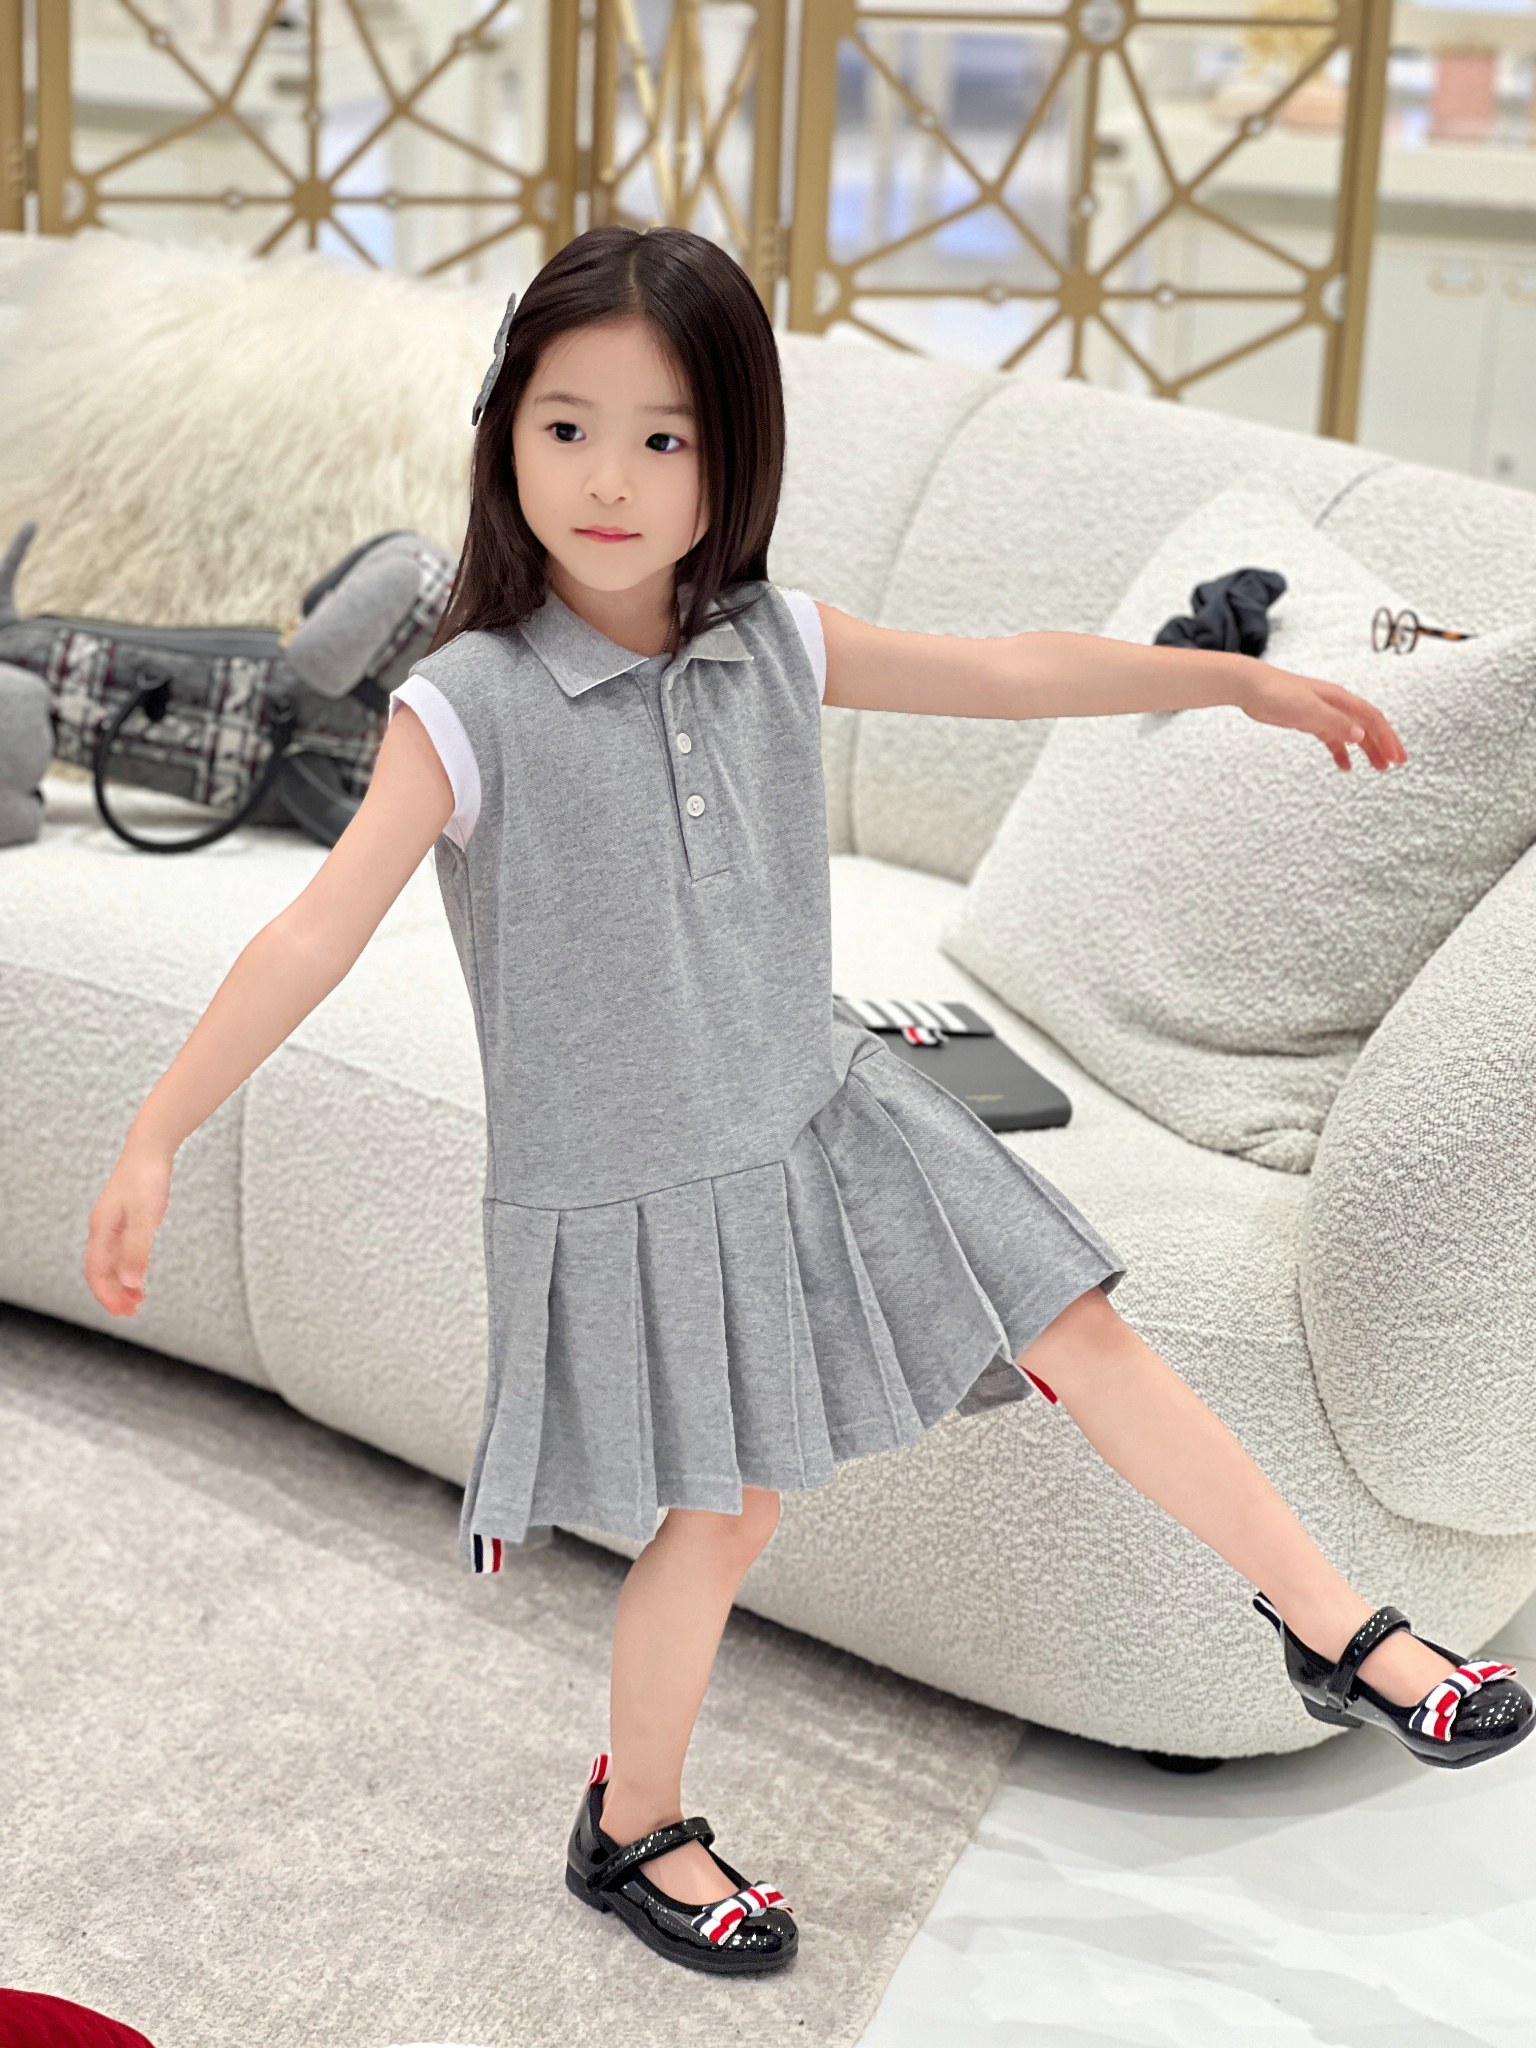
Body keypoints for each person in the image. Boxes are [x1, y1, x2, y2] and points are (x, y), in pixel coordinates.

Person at [83, 224, 1532, 1979]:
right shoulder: (465, 707)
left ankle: (1341, 1630)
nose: (608, 480)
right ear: (504, 438)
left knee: (1088, 1333)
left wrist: (1228, 679)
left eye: (664, 438)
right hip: (643, 1183)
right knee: (725, 1516)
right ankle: (633, 1828)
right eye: (565, 428)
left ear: (735, 460)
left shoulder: (770, 639)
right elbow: (317, 928)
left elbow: (1009, 670)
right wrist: (158, 1130)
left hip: (828, 1113)